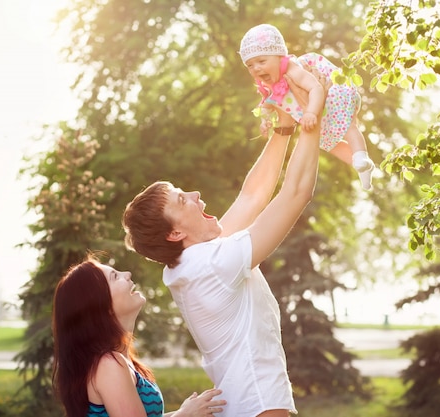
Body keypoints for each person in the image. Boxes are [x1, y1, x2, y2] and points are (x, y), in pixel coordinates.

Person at [121, 75, 324, 416]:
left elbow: (252, 196)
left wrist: (285, 127)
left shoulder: (193, 262)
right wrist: (311, 116)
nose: (196, 195)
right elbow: (296, 193)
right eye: (182, 200)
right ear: (174, 233)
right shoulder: (213, 263)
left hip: (243, 403)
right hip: (259, 402)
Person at [52, 256, 227, 417]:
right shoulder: (108, 364)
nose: (127, 274)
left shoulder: (118, 360)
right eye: (114, 277)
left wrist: (183, 412)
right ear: (100, 307)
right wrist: (184, 415)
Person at [239, 23, 375, 190]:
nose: (256, 68)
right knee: (330, 145)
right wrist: (265, 119)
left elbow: (315, 87)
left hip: (333, 102)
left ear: (279, 57)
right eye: (250, 65)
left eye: (261, 61)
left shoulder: (293, 70)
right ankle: (362, 168)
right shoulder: (268, 84)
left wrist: (311, 112)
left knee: (349, 128)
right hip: (319, 119)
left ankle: (362, 156)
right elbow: (268, 103)